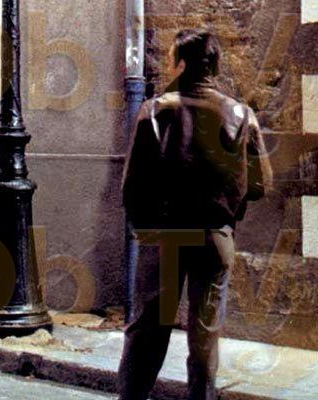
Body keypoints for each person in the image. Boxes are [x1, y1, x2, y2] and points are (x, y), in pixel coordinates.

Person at [117, 29, 273, 399]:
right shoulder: (241, 114)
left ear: (182, 64)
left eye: (172, 58)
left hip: (165, 237)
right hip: (214, 235)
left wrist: (147, 227)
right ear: (214, 66)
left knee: (147, 333)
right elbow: (260, 185)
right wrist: (229, 211)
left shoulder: (156, 111)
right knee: (204, 337)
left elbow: (131, 186)